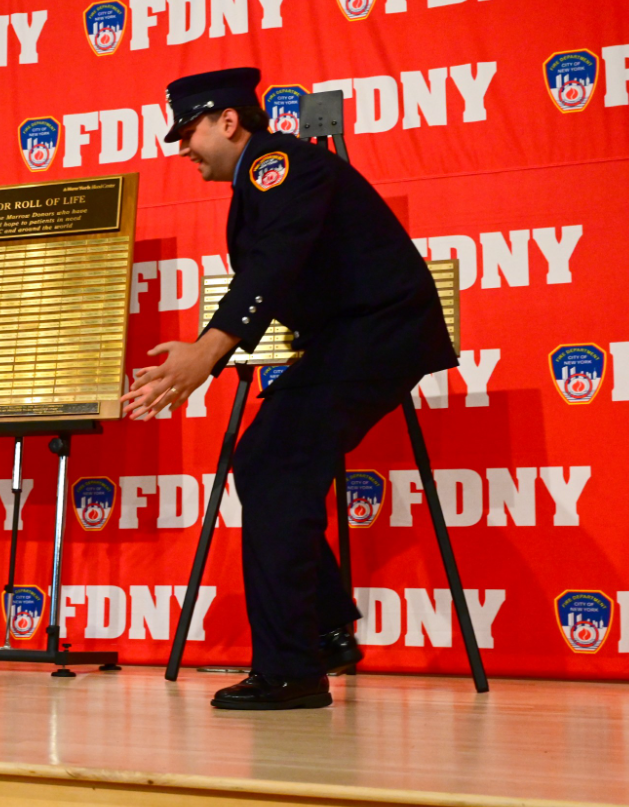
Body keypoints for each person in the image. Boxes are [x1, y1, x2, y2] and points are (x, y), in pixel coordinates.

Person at [121, 68, 457, 709]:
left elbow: (273, 264)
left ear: (227, 121)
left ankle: (292, 670)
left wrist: (208, 351)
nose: (181, 147)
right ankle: (324, 631)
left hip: (379, 333)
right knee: (263, 461)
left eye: (188, 131)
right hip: (352, 337)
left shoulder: (277, 163)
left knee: (272, 463)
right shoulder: (263, 175)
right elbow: (280, 267)